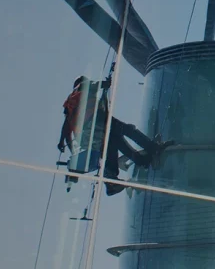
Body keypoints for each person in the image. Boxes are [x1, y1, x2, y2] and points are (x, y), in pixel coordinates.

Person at [58, 68, 170, 196]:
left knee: (115, 142)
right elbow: (92, 85)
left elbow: (66, 128)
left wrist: (64, 144)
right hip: (98, 121)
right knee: (128, 130)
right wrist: (105, 84)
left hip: (89, 134)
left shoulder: (70, 105)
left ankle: (131, 168)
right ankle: (153, 148)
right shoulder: (81, 87)